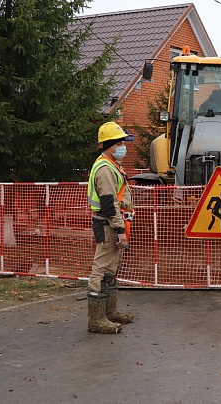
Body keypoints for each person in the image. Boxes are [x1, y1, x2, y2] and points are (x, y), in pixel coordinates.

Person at [86, 121, 134, 334]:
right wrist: (120, 230)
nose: (123, 146)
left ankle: (109, 312)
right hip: (108, 224)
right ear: (110, 145)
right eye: (120, 142)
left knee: (111, 268)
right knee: (102, 269)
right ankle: (96, 320)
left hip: (111, 223)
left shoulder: (111, 165)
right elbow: (108, 204)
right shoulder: (105, 169)